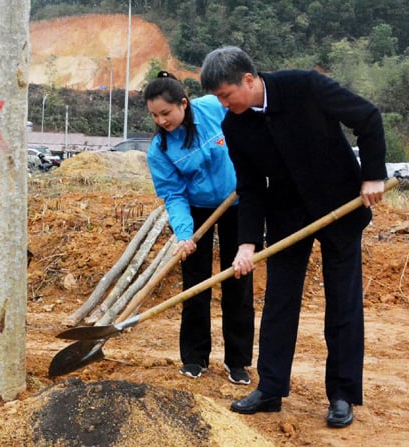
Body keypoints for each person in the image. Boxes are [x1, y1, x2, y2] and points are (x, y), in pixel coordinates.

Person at [199, 46, 386, 429]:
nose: (222, 103)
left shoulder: (305, 86)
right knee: (279, 301)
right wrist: (247, 243)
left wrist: (372, 175)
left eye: (224, 95)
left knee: (342, 303)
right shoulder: (234, 125)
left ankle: (342, 394)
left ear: (248, 81)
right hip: (287, 215)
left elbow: (367, 118)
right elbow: (250, 187)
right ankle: (270, 388)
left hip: (340, 205)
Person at [143, 71, 253, 385]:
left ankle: (238, 361)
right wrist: (184, 234)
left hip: (238, 201)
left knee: (239, 280)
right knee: (195, 285)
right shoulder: (160, 149)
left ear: (184, 103)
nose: (162, 121)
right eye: (154, 116)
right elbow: (173, 194)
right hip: (196, 208)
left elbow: (243, 120)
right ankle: (194, 358)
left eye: (166, 113)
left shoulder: (212, 108)